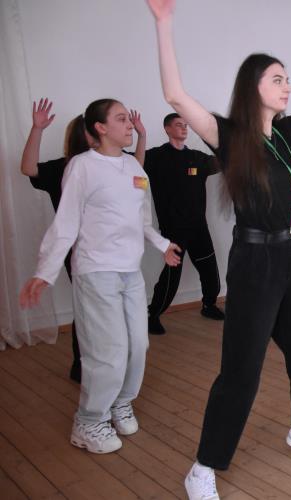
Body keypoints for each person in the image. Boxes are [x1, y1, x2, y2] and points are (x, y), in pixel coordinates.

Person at [148, 1, 291, 497]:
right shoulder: (230, 135)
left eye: (287, 79)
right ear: (252, 86)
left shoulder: (287, 131)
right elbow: (175, 94)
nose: (287, 86)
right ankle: (203, 467)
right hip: (256, 263)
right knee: (242, 370)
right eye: (278, 79)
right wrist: (164, 25)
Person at [20, 98, 181, 455]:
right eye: (121, 119)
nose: (130, 124)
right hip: (96, 271)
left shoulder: (134, 167)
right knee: (108, 351)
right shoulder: (82, 166)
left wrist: (163, 244)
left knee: (138, 345)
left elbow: (141, 220)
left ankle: (121, 402)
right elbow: (66, 222)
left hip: (130, 272)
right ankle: (89, 421)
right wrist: (45, 271)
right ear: (100, 128)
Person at [20, 98, 146, 383]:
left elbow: (138, 172)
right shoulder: (69, 167)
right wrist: (37, 129)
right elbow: (28, 168)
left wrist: (142, 136)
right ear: (90, 132)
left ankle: (113, 371)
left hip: (115, 255)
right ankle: (86, 365)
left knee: (111, 316)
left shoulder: (115, 164)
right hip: (81, 252)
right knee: (91, 312)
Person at [145, 112, 225, 335]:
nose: (184, 128)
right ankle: (153, 315)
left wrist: (215, 138)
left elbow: (223, 162)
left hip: (198, 227)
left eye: (185, 125)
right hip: (174, 230)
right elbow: (131, 160)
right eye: (178, 125)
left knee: (209, 269)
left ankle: (209, 305)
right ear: (167, 129)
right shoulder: (156, 157)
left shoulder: (197, 158)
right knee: (172, 276)